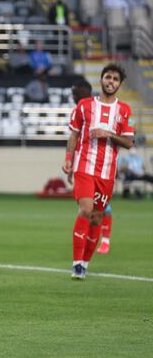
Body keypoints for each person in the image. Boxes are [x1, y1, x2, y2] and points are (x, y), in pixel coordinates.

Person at [62, 64, 135, 280]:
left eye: (115, 79)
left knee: (96, 218)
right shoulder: (84, 106)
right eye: (108, 77)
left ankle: (85, 263)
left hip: (107, 173)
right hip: (84, 167)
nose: (111, 81)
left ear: (119, 85)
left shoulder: (125, 111)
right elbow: (74, 135)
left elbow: (129, 142)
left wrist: (109, 134)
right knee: (86, 210)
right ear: (101, 79)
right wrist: (68, 159)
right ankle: (76, 264)